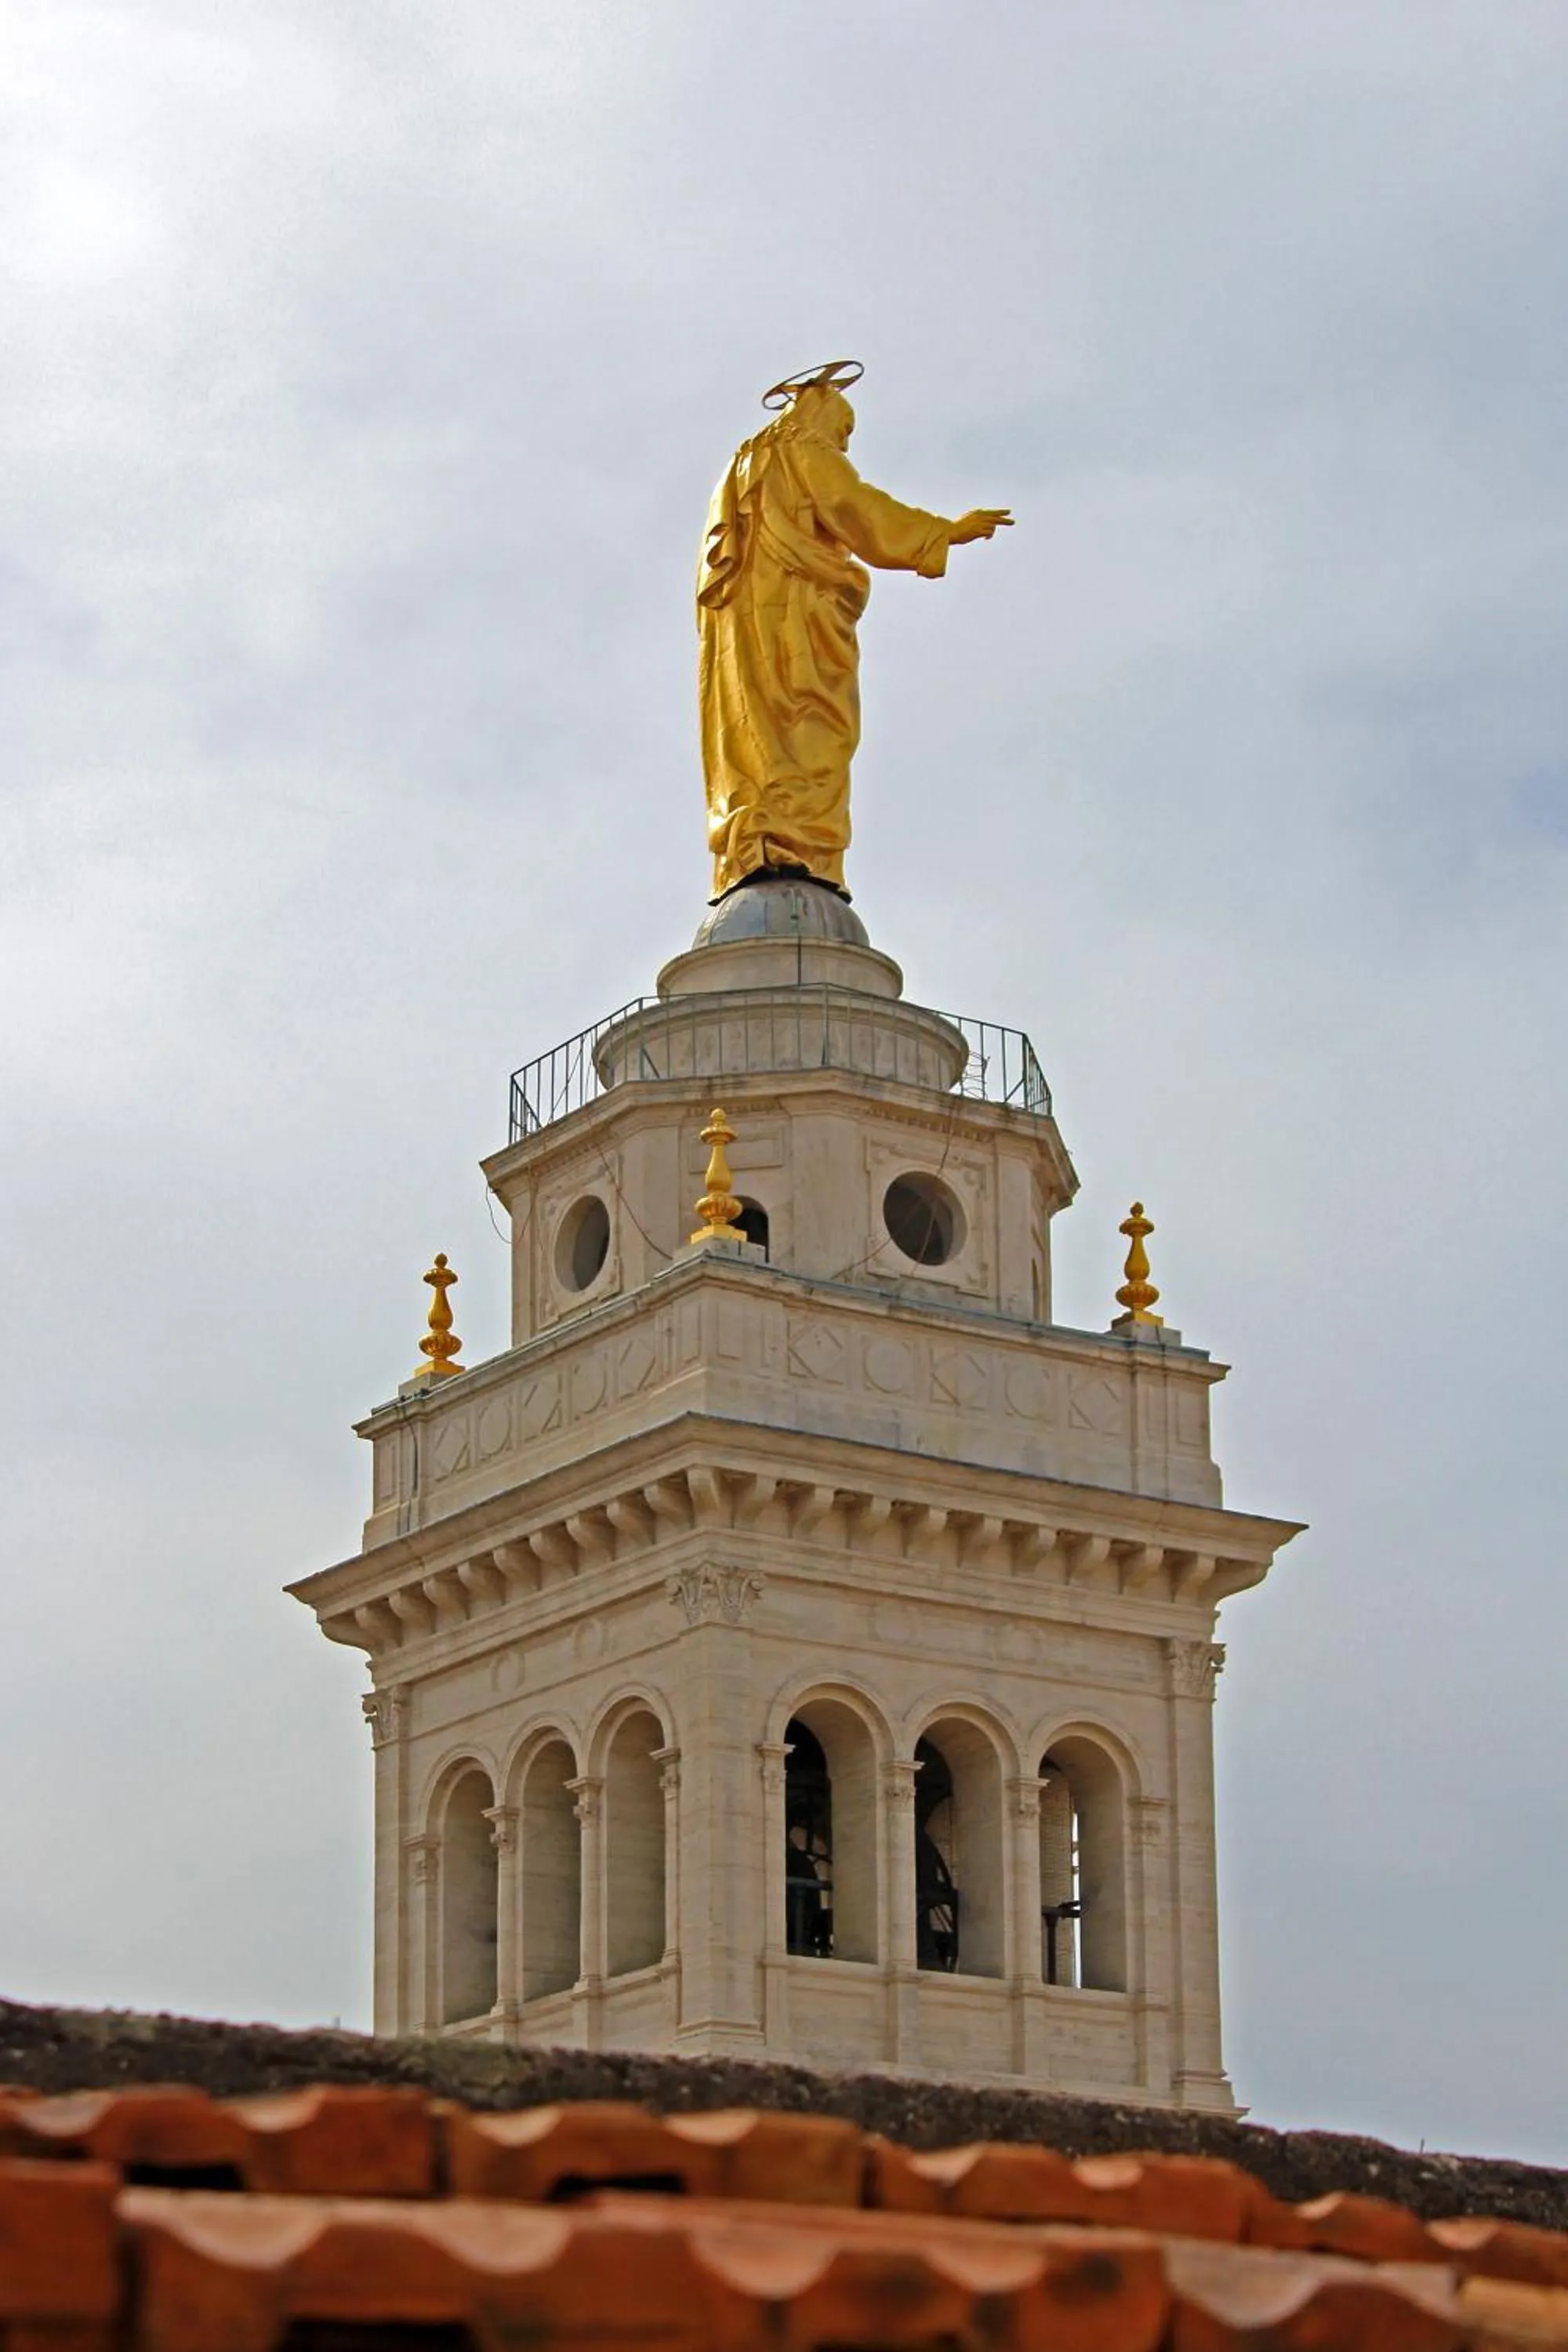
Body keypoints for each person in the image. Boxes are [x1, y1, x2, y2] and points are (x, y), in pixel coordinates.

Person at [697, 361, 1011, 901]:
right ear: (823, 417)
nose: (842, 446)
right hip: (799, 612)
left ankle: (758, 837)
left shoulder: (742, 467)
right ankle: (795, 840)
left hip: (744, 627)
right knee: (810, 717)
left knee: (760, 722)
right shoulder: (803, 450)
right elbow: (852, 507)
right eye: (843, 432)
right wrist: (944, 532)